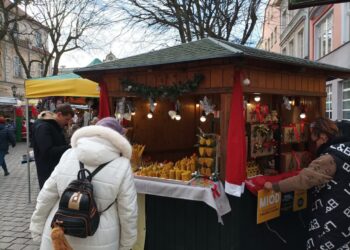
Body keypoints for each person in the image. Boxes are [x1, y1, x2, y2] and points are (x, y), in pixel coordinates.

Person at [30, 117, 138, 250]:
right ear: (119, 138)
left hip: (61, 231)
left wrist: (37, 227)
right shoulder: (122, 165)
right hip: (101, 236)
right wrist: (126, 244)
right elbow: (128, 211)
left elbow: (46, 195)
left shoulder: (69, 155)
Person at [264, 117, 350, 250]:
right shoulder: (345, 149)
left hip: (330, 222)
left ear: (323, 137)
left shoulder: (331, 157)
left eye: (314, 141)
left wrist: (274, 186)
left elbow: (304, 179)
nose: (314, 145)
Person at [31, 104, 74, 189]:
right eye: (66, 119)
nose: (67, 122)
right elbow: (47, 151)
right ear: (59, 114)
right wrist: (69, 147)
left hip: (54, 169)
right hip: (48, 171)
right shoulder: (44, 126)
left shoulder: (53, 125)